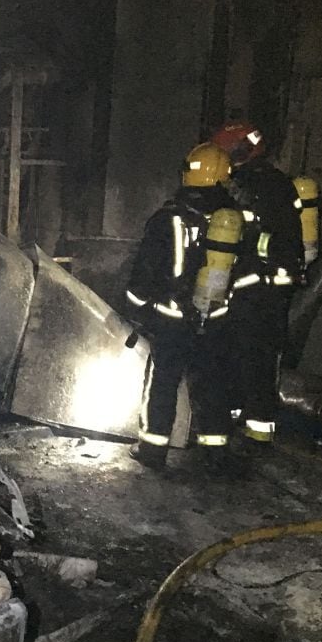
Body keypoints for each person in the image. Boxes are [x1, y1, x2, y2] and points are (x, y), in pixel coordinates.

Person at [125, 143, 244, 469]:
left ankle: (152, 451)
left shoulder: (167, 219)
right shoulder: (231, 220)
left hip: (173, 321)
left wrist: (136, 308)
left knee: (163, 383)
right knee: (212, 384)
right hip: (215, 319)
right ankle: (216, 451)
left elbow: (144, 274)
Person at [211, 121, 303, 448]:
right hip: (276, 288)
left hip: (252, 286)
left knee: (239, 352)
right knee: (262, 358)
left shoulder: (244, 187)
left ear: (240, 153)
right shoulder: (282, 184)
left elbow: (241, 239)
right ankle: (257, 427)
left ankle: (242, 423)